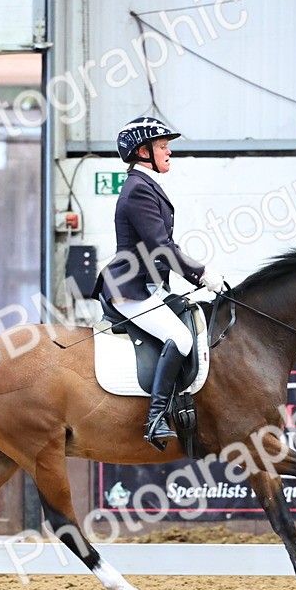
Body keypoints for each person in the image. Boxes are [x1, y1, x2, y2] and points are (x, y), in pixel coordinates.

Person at [95, 116, 228, 450]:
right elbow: (161, 247)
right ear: (143, 151)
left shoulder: (146, 185)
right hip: (128, 289)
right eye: (163, 146)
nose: (169, 152)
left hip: (147, 285)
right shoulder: (138, 189)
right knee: (180, 338)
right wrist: (201, 274)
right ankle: (155, 418)